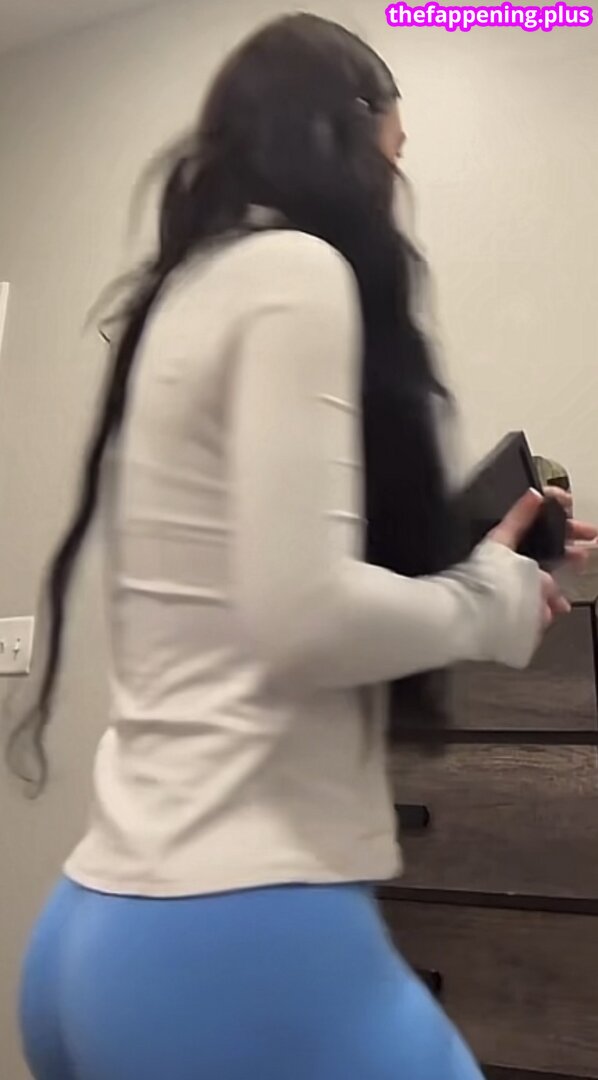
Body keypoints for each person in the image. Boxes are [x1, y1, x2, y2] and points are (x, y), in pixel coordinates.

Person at [10, 14, 593, 1080]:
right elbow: (304, 617)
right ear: (347, 137)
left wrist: (481, 548)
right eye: (394, 155)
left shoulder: (191, 289)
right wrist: (490, 606)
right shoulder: (295, 269)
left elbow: (264, 569)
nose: (396, 188)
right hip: (236, 939)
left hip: (105, 922)